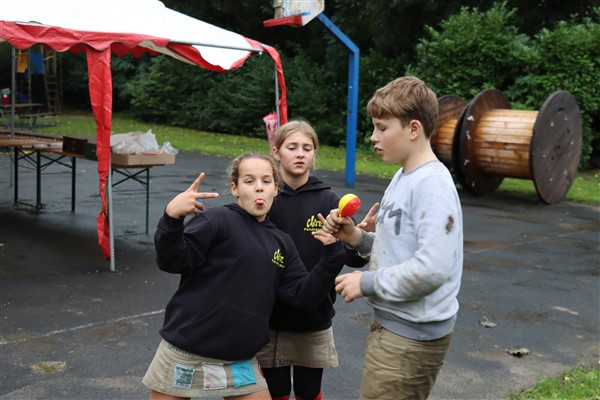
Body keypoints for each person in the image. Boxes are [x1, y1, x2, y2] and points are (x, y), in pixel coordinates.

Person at [142, 152, 346, 400]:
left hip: (240, 358)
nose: (259, 187)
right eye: (249, 181)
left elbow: (304, 297)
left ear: (276, 189)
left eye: (266, 181)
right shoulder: (216, 220)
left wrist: (332, 256)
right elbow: (171, 260)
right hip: (186, 352)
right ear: (234, 188)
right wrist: (172, 218)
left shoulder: (282, 243)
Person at [320, 76, 464, 400]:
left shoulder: (431, 185)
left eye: (382, 128)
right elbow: (398, 249)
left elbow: (432, 269)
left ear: (413, 129)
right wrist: (356, 237)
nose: (373, 137)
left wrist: (367, 282)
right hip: (395, 328)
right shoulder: (404, 176)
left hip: (410, 338)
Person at [255, 120, 370, 400]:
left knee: (309, 391)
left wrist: (358, 238)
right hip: (270, 316)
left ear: (314, 154)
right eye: (292, 147)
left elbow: (351, 259)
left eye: (307, 148)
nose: (300, 153)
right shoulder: (266, 197)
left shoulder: (328, 199)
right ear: (276, 152)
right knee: (275, 391)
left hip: (313, 316)